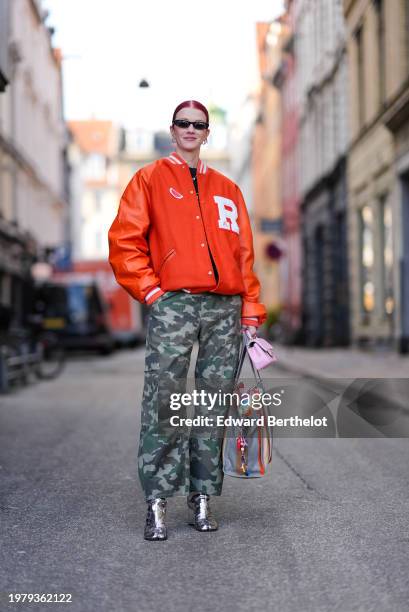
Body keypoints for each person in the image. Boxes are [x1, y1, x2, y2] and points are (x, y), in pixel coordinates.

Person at [108, 100, 266, 541]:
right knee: (165, 400)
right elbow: (124, 241)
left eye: (199, 124)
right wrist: (153, 292)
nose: (191, 130)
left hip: (224, 309)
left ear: (207, 132)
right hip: (174, 304)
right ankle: (157, 501)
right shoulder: (150, 179)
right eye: (183, 124)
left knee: (214, 405)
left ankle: (201, 497)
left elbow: (243, 255)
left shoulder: (228, 190)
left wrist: (250, 309)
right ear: (173, 130)